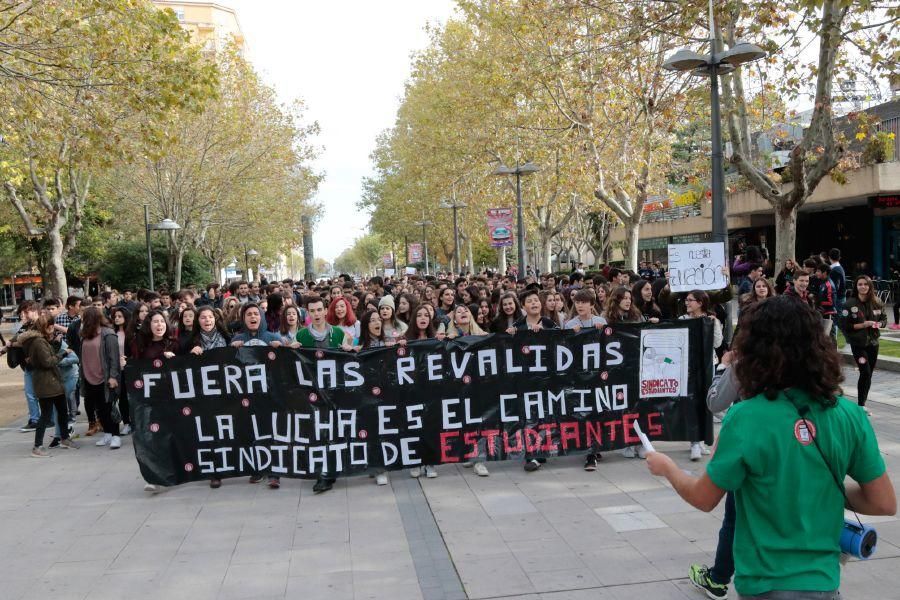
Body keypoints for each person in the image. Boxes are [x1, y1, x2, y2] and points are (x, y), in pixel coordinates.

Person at [646, 296, 896, 599]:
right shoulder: (850, 415)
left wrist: (668, 468)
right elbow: (883, 503)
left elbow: (703, 497)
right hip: (824, 583)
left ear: (755, 351)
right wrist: (825, 489)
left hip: (764, 584)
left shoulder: (744, 418)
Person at [297, 296, 344, 492]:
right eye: (312, 311)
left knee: (335, 433)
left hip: (335, 392)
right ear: (308, 313)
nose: (316, 314)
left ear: (325, 311)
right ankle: (322, 473)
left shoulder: (339, 333)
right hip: (313, 394)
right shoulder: (301, 337)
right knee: (318, 433)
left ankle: (332, 471)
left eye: (319, 310)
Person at [19, 316, 79, 456]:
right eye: (49, 326)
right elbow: (47, 362)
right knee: (45, 415)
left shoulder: (41, 340)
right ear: (42, 327)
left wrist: (57, 346)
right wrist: (64, 353)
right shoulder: (38, 342)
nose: (52, 328)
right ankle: (37, 446)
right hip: (46, 383)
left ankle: (64, 438)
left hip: (53, 382)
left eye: (52, 325)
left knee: (63, 411)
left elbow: (47, 355)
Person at [513, 288, 558, 472]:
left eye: (536, 301)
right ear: (524, 306)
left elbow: (561, 343)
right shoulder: (518, 326)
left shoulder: (549, 323)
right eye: (529, 301)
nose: (534, 303)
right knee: (529, 417)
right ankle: (532, 455)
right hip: (526, 380)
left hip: (547, 379)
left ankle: (542, 451)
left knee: (545, 415)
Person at [564, 288, 608, 470]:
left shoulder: (600, 321)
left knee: (597, 412)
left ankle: (594, 448)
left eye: (584, 302)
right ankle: (590, 450)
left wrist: (602, 332)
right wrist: (571, 336)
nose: (580, 305)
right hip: (579, 377)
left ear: (591, 304)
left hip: (597, 376)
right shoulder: (569, 324)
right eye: (577, 302)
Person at [679, 290, 722, 461]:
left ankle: (702, 440)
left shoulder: (712, 320)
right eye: (686, 300)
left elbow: (718, 343)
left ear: (700, 303)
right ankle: (694, 442)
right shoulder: (683, 320)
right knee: (691, 402)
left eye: (690, 300)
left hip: (707, 366)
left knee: (706, 402)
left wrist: (712, 326)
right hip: (687, 367)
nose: (687, 303)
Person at [841, 275, 887, 415]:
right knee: (865, 371)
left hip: (873, 343)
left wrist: (880, 324)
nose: (863, 287)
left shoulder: (877, 302)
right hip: (858, 344)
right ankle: (861, 405)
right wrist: (863, 324)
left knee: (869, 374)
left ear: (870, 286)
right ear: (856, 286)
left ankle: (863, 403)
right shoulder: (849, 304)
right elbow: (845, 325)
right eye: (860, 284)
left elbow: (884, 319)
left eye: (865, 284)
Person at [79, 307, 122, 451]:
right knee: (99, 409)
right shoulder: (85, 335)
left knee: (109, 408)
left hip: (105, 378)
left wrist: (113, 376)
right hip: (89, 377)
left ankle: (116, 435)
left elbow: (114, 358)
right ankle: (108, 433)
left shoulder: (108, 334)